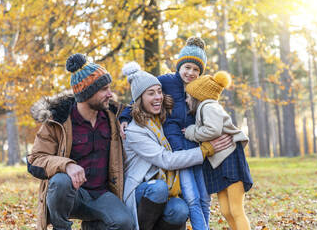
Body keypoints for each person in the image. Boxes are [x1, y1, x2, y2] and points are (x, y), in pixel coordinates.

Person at [120, 37, 232, 230]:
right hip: (178, 155)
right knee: (191, 198)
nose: (191, 73)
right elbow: (140, 94)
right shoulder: (165, 82)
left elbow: (212, 107)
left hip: (195, 147)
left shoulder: (199, 88)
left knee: (201, 199)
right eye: (187, 67)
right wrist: (124, 117)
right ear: (179, 65)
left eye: (196, 69)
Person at [27, 53, 135, 230]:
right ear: (87, 93)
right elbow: (34, 160)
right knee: (61, 181)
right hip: (71, 195)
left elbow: (143, 108)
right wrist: (66, 165)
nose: (110, 94)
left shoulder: (115, 116)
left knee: (124, 223)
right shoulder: (57, 121)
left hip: (102, 194)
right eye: (104, 89)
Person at [184, 71, 253, 230]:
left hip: (230, 160)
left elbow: (213, 130)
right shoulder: (205, 107)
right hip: (219, 163)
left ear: (197, 97)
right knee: (226, 210)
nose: (187, 100)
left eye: (188, 96)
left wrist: (191, 131)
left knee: (236, 210)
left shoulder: (209, 106)